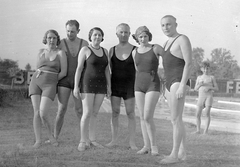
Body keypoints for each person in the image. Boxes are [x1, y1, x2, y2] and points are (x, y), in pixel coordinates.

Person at [160, 15, 192, 164]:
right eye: (163, 25)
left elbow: (188, 63)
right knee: (176, 119)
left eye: (169, 24)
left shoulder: (182, 39)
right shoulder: (166, 43)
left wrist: (182, 84)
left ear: (175, 24)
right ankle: (182, 152)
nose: (166, 28)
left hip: (178, 81)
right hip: (168, 82)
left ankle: (174, 155)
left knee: (176, 119)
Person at [73, 27, 111, 151]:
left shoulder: (105, 51)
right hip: (87, 85)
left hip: (101, 85)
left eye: (99, 35)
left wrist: (109, 86)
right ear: (91, 36)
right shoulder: (85, 49)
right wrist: (75, 87)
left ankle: (92, 139)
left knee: (95, 113)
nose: (97, 37)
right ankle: (82, 141)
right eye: (95, 35)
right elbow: (79, 69)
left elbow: (106, 70)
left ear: (102, 37)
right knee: (87, 113)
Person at [29, 29, 67, 148]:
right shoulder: (40, 52)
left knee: (43, 112)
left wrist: (52, 80)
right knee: (36, 112)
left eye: (54, 38)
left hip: (50, 84)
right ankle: (38, 141)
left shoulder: (61, 53)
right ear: (46, 39)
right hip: (36, 81)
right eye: (49, 37)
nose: (51, 40)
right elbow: (37, 68)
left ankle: (51, 137)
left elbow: (64, 72)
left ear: (57, 40)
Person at [53, 20, 88, 141]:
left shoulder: (84, 43)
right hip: (64, 81)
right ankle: (55, 137)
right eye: (67, 31)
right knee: (61, 109)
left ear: (78, 31)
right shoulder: (61, 43)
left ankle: (84, 138)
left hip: (79, 81)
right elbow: (53, 59)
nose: (69, 33)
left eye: (72, 31)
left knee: (79, 110)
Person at [132, 26, 163, 156]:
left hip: (153, 83)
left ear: (149, 36)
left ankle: (154, 146)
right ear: (137, 38)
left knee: (147, 116)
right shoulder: (134, 52)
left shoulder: (155, 48)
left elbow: (168, 60)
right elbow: (137, 69)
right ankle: (146, 146)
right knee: (141, 117)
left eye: (145, 36)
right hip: (139, 84)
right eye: (140, 37)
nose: (143, 39)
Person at [105, 23, 137, 150]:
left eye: (126, 32)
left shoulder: (135, 50)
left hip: (130, 86)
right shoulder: (112, 50)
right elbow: (108, 70)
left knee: (131, 113)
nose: (124, 34)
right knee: (115, 112)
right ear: (117, 34)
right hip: (115, 85)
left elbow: (138, 70)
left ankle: (132, 142)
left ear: (130, 34)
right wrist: (109, 86)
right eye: (121, 32)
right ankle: (113, 140)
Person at [193, 61, 218, 134]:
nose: (206, 70)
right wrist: (200, 85)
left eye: (207, 68)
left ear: (209, 69)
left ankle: (205, 131)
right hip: (201, 97)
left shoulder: (211, 77)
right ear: (201, 69)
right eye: (204, 68)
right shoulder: (199, 77)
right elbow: (195, 89)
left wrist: (210, 87)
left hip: (208, 96)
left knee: (207, 113)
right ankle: (198, 130)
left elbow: (216, 88)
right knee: (197, 114)